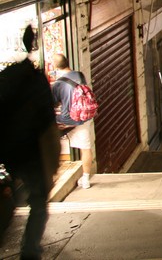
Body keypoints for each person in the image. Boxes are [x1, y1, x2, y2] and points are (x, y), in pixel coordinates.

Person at [0, 25, 59, 259]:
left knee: (12, 194)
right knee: (38, 201)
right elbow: (47, 120)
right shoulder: (36, 81)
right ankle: (30, 249)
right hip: (33, 152)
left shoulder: (5, 80)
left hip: (10, 151)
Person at [51, 53, 95, 188]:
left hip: (66, 119)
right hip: (82, 117)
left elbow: (52, 103)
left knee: (52, 141)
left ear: (55, 67)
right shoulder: (80, 75)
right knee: (86, 148)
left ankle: (53, 176)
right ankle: (86, 179)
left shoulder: (58, 84)